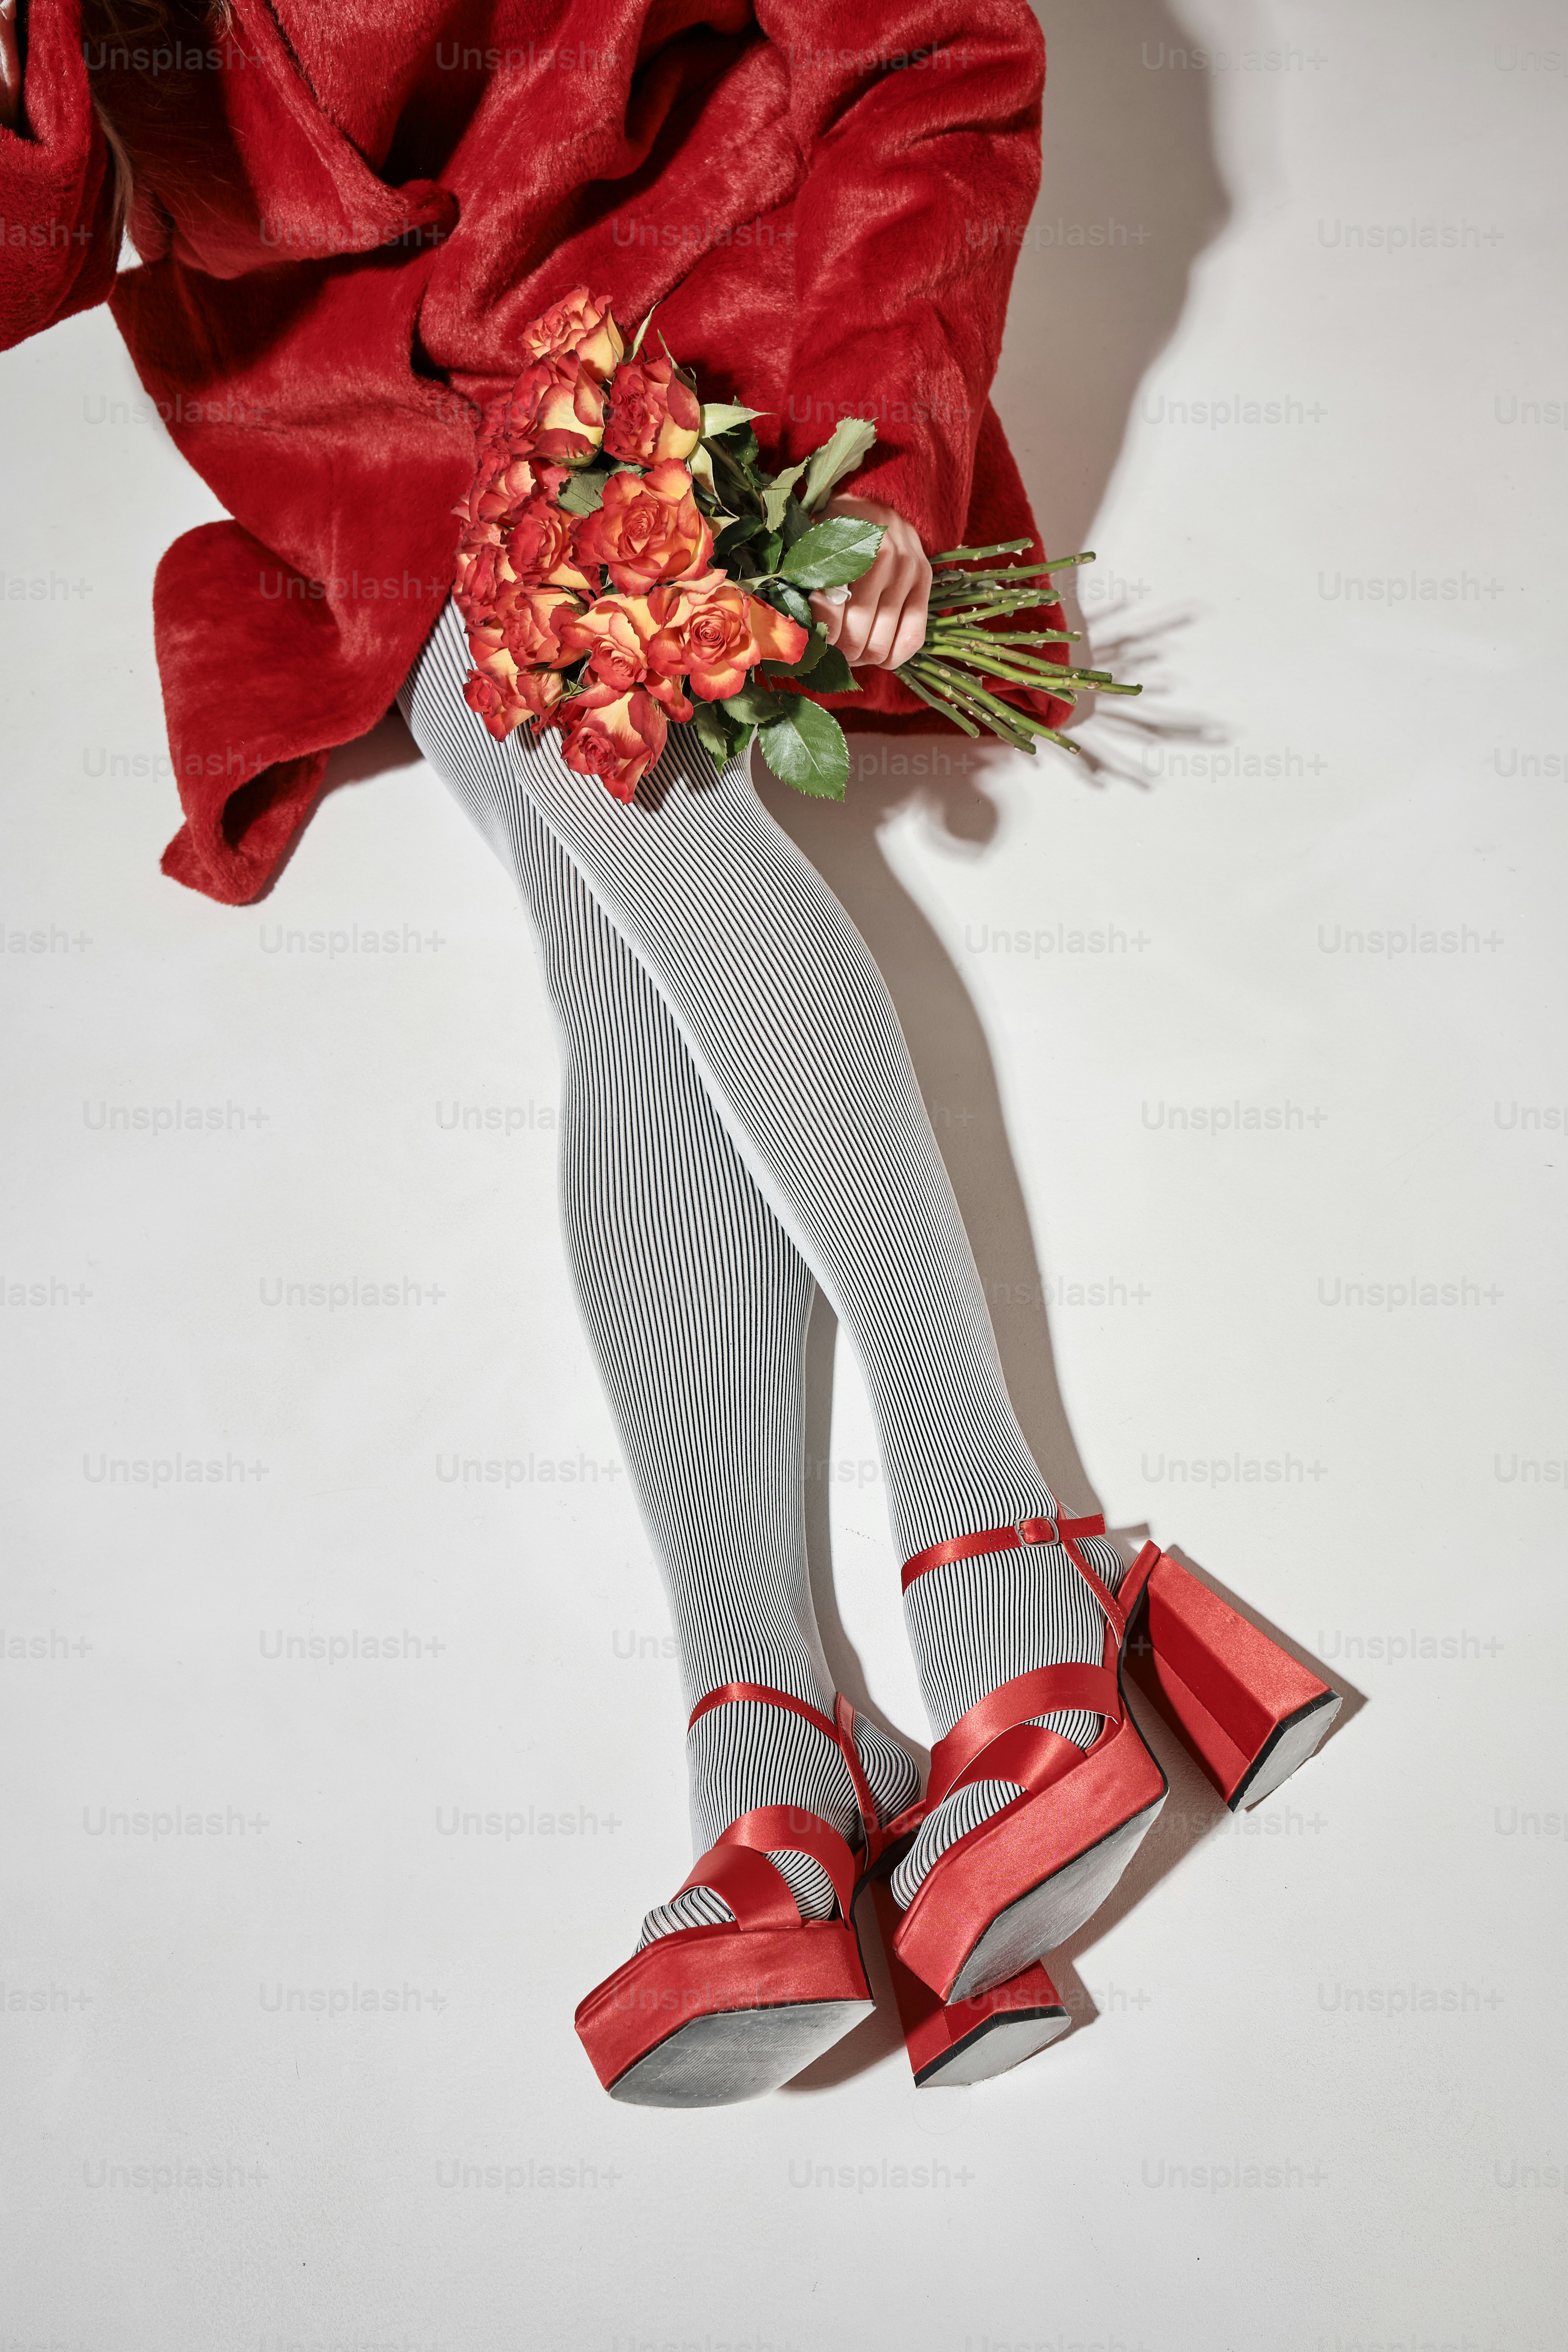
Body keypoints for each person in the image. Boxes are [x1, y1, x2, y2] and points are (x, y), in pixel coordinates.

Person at [5, 0, 1298, 2106]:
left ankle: (931, 1616)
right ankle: (827, 1709)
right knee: (597, 920)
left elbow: (930, 45)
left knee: (602, 769)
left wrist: (881, 428)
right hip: (350, 428)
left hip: (675, 306)